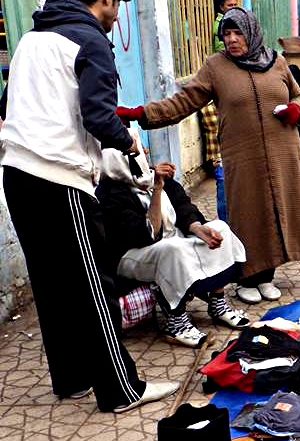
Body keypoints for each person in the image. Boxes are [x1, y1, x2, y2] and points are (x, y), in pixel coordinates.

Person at [0, 0, 177, 413]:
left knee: (51, 282)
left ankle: (72, 379)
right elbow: (99, 116)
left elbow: (8, 106)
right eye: (116, 4)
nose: (116, 15)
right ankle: (121, 390)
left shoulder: (29, 40)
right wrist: (129, 141)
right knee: (94, 284)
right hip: (60, 179)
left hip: (17, 175)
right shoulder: (91, 39)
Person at [117, 7, 300, 306]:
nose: (233, 40)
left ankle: (266, 276)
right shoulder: (216, 67)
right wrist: (141, 114)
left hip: (283, 151)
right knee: (249, 213)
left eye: (238, 33)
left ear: (251, 32)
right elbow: (183, 102)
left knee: (279, 210)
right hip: (243, 156)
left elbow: (299, 95)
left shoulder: (276, 61)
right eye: (227, 34)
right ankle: (246, 277)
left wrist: (296, 110)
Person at [96, 137, 249, 348]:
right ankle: (176, 323)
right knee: (172, 249)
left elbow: (183, 204)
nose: (146, 152)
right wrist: (157, 189)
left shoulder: (150, 176)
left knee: (219, 228)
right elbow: (148, 234)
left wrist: (197, 227)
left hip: (168, 243)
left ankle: (217, 303)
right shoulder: (109, 194)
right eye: (138, 151)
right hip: (132, 255)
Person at [208, 0, 238, 221]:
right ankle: (226, 222)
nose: (232, 40)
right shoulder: (222, 28)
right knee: (223, 171)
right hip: (225, 110)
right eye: (229, 5)